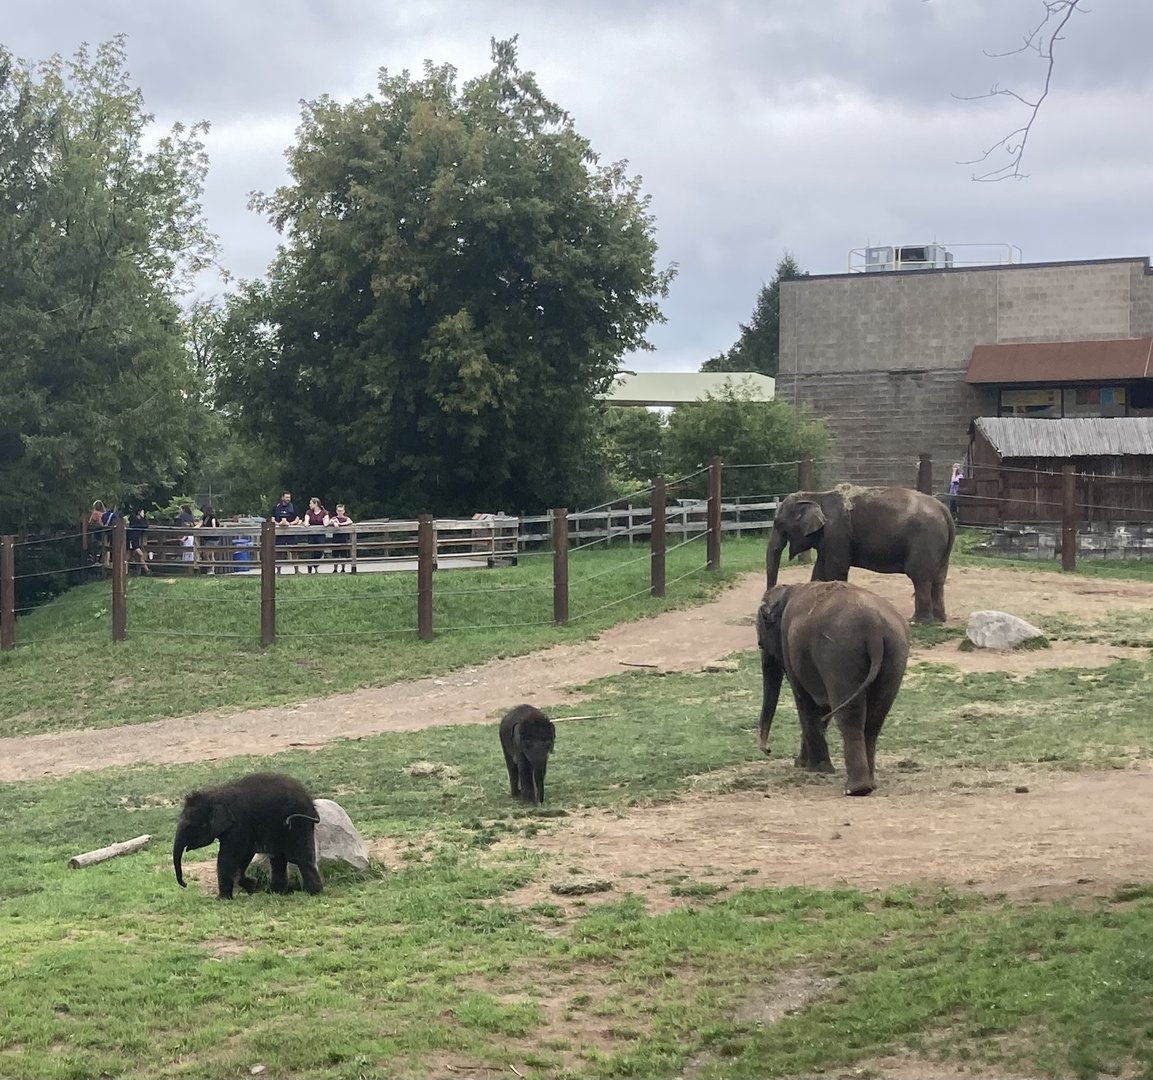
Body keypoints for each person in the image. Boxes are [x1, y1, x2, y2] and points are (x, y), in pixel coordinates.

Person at [271, 490, 301, 574]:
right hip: (280, 533)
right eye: (287, 497)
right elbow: (272, 519)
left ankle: (296, 570)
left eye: (289, 497)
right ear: (282, 497)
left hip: (291, 532)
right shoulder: (276, 507)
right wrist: (279, 524)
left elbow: (297, 519)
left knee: (294, 551)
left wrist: (290, 524)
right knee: (279, 552)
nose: (288, 499)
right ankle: (278, 571)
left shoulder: (294, 507)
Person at [303, 497, 329, 573]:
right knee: (312, 550)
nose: (309, 505)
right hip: (311, 534)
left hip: (320, 534)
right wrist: (306, 523)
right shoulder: (309, 512)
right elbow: (306, 519)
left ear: (316, 504)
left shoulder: (324, 512)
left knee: (320, 550)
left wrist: (327, 522)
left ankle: (314, 564)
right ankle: (312, 566)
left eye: (311, 503)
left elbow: (326, 522)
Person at [329, 503, 354, 573]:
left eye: (341, 510)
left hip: (344, 539)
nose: (340, 512)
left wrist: (340, 524)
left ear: (344, 511)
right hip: (335, 539)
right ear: (336, 511)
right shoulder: (334, 518)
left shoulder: (346, 518)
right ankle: (335, 569)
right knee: (335, 555)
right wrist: (334, 523)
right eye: (338, 511)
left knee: (344, 555)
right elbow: (330, 522)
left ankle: (343, 569)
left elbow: (350, 522)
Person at [126, 508, 151, 576]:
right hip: (131, 539)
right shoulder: (134, 519)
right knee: (139, 555)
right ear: (139, 512)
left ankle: (147, 571)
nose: (144, 514)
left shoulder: (141, 521)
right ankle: (147, 570)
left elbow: (145, 526)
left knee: (130, 556)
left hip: (135, 540)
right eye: (143, 512)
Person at [200, 504, 222, 574]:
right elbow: (200, 524)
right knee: (210, 554)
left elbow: (214, 525)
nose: (203, 512)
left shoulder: (213, 516)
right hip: (207, 538)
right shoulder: (204, 517)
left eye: (203, 510)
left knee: (205, 554)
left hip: (213, 538)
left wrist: (213, 530)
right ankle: (212, 569)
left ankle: (210, 569)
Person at [178, 503, 196, 572]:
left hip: (186, 534)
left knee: (186, 550)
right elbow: (193, 524)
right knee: (191, 550)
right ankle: (190, 564)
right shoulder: (191, 516)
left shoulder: (182, 515)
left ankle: (185, 565)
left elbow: (181, 523)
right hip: (192, 534)